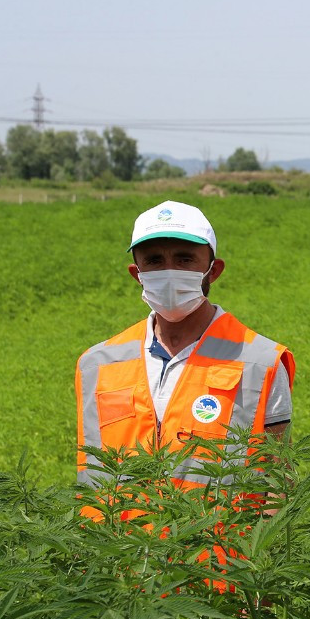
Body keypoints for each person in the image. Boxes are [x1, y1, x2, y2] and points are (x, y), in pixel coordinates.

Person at [75, 200, 295, 500]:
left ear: (213, 270)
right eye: (153, 261)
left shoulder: (261, 363)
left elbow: (277, 483)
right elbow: (91, 475)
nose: (169, 272)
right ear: (136, 273)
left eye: (185, 259)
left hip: (217, 546)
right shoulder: (96, 365)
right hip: (117, 544)